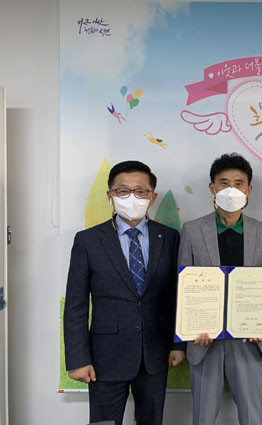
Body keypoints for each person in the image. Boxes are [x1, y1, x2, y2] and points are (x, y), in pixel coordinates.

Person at [63, 160, 184, 425]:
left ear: (151, 197)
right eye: (123, 191)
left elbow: (176, 297)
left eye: (140, 191)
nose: (132, 197)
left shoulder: (169, 238)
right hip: (105, 356)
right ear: (110, 195)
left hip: (155, 354)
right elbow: (75, 305)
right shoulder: (88, 241)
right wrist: (77, 359)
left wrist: (178, 344)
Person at [170, 152, 262, 425]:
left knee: (252, 415)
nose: (232, 189)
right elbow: (183, 287)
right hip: (204, 339)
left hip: (249, 339)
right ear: (212, 187)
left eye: (239, 183)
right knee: (203, 416)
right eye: (224, 183)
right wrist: (185, 335)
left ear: (249, 189)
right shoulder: (193, 230)